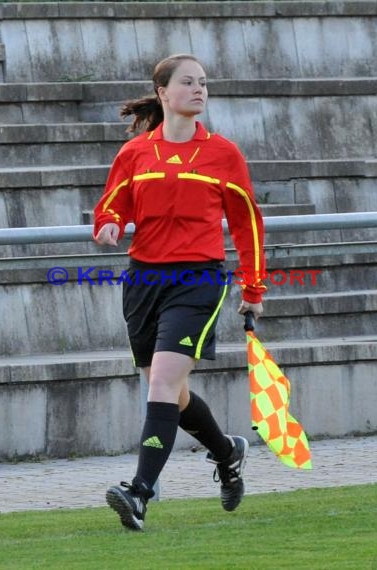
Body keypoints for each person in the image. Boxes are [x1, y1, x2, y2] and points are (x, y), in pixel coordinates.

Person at [93, 54, 266, 531]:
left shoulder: (223, 153)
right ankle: (227, 451)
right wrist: (108, 226)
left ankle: (140, 492)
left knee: (163, 382)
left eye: (204, 83)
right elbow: (111, 206)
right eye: (188, 83)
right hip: (144, 281)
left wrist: (253, 286)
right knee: (171, 390)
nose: (199, 89)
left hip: (199, 279)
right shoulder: (135, 154)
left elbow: (247, 222)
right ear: (163, 93)